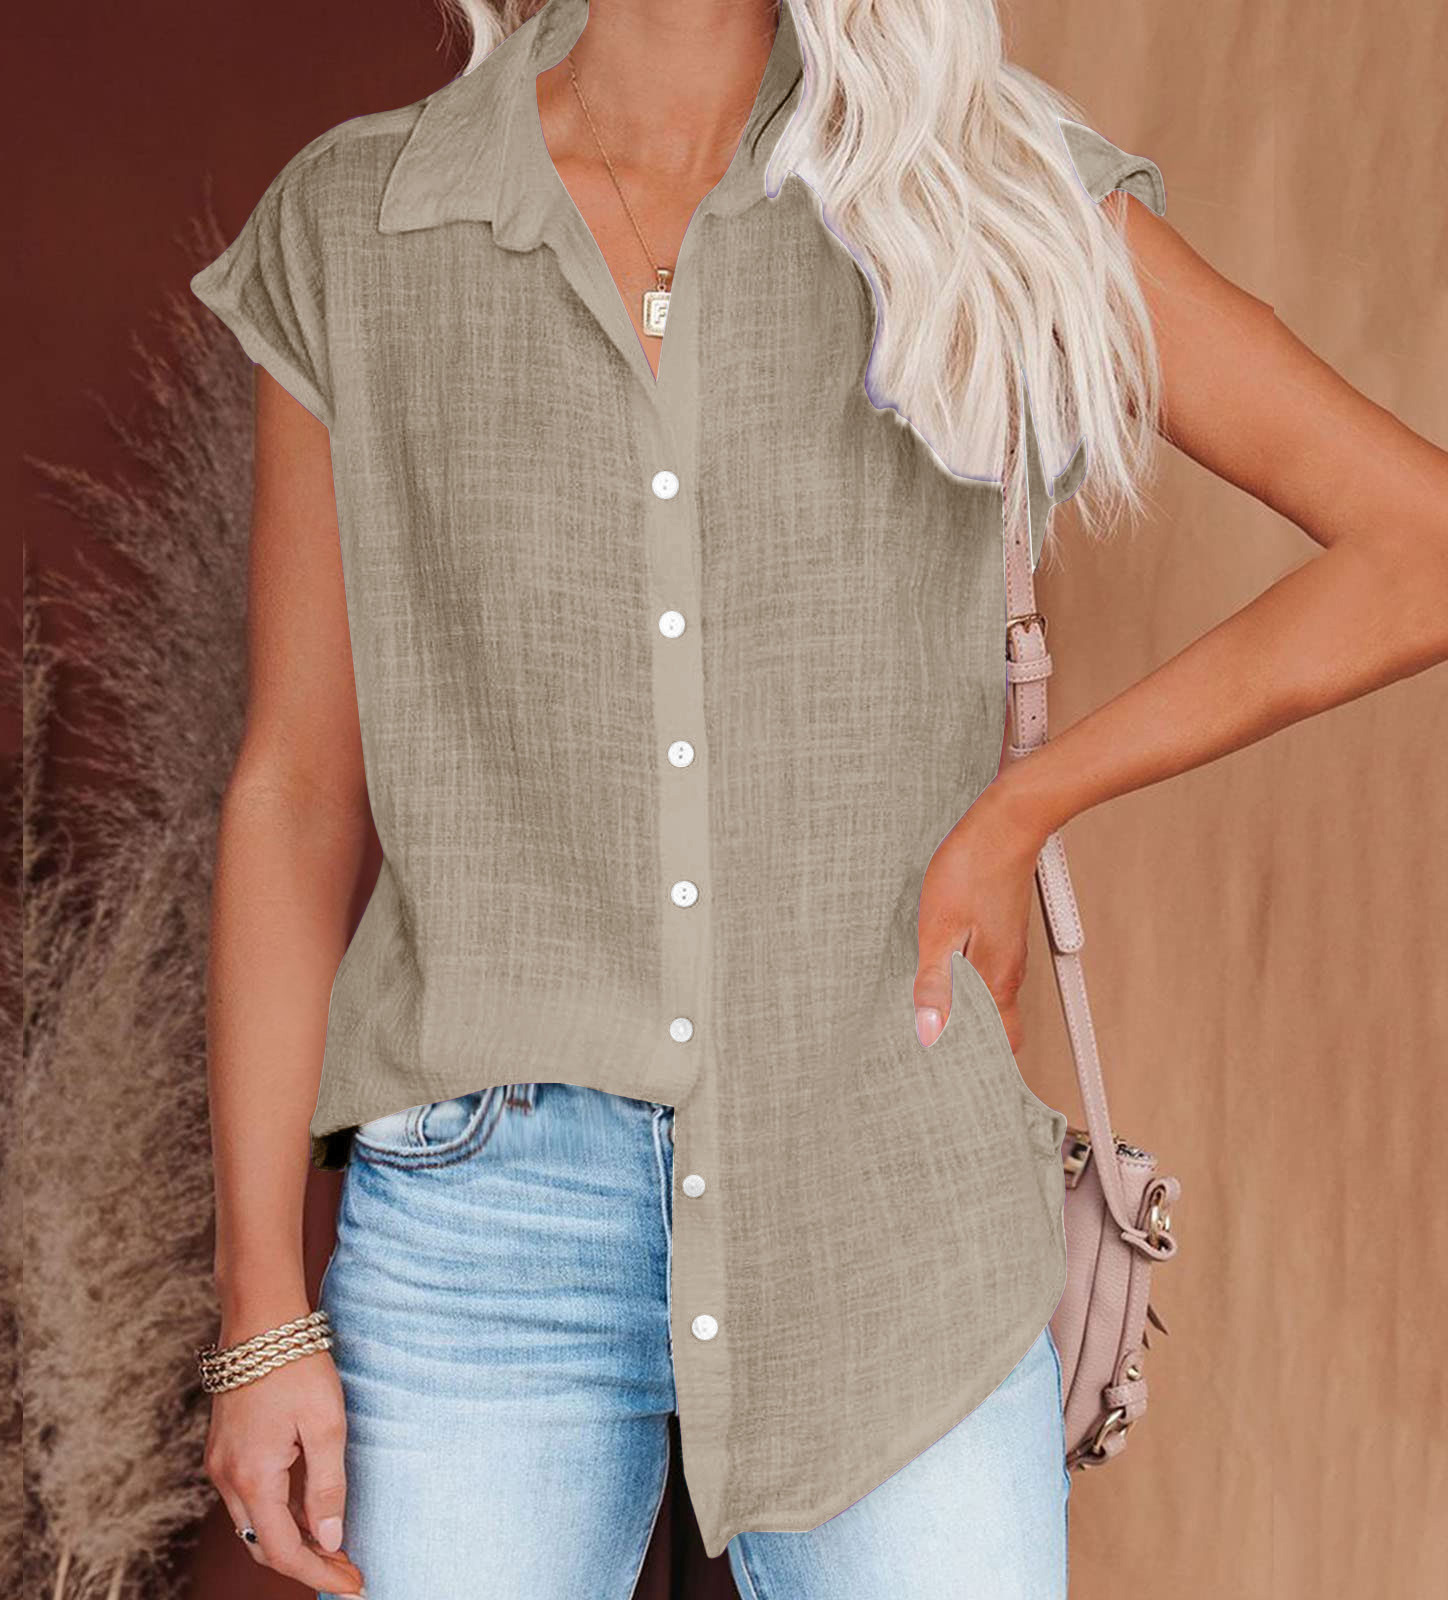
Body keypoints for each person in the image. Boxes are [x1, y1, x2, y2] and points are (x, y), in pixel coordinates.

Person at [187, 2, 1448, 1597]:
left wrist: (1027, 803)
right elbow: (298, 793)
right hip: (483, 1233)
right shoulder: (359, 224)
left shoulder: (979, 191)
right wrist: (260, 1309)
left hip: (886, 1195)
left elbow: (1417, 544)